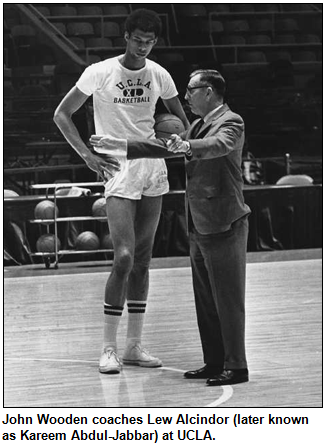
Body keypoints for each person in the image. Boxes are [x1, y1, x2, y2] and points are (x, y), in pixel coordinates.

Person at [90, 69, 251, 386]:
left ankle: (237, 366)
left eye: (191, 90)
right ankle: (214, 361)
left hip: (224, 221)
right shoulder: (196, 125)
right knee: (205, 301)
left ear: (208, 91)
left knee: (228, 300)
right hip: (199, 222)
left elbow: (216, 145)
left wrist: (188, 146)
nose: (186, 96)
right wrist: (121, 145)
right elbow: (164, 148)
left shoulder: (231, 122)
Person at [53, 8, 189, 374]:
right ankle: (108, 347)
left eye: (150, 42)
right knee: (124, 257)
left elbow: (184, 124)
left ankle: (133, 345)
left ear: (154, 42)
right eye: (138, 40)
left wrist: (176, 139)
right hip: (117, 166)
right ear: (126, 37)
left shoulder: (158, 74)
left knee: (143, 261)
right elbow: (61, 114)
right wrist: (87, 156)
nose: (143, 47)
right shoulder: (99, 71)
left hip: (152, 167)